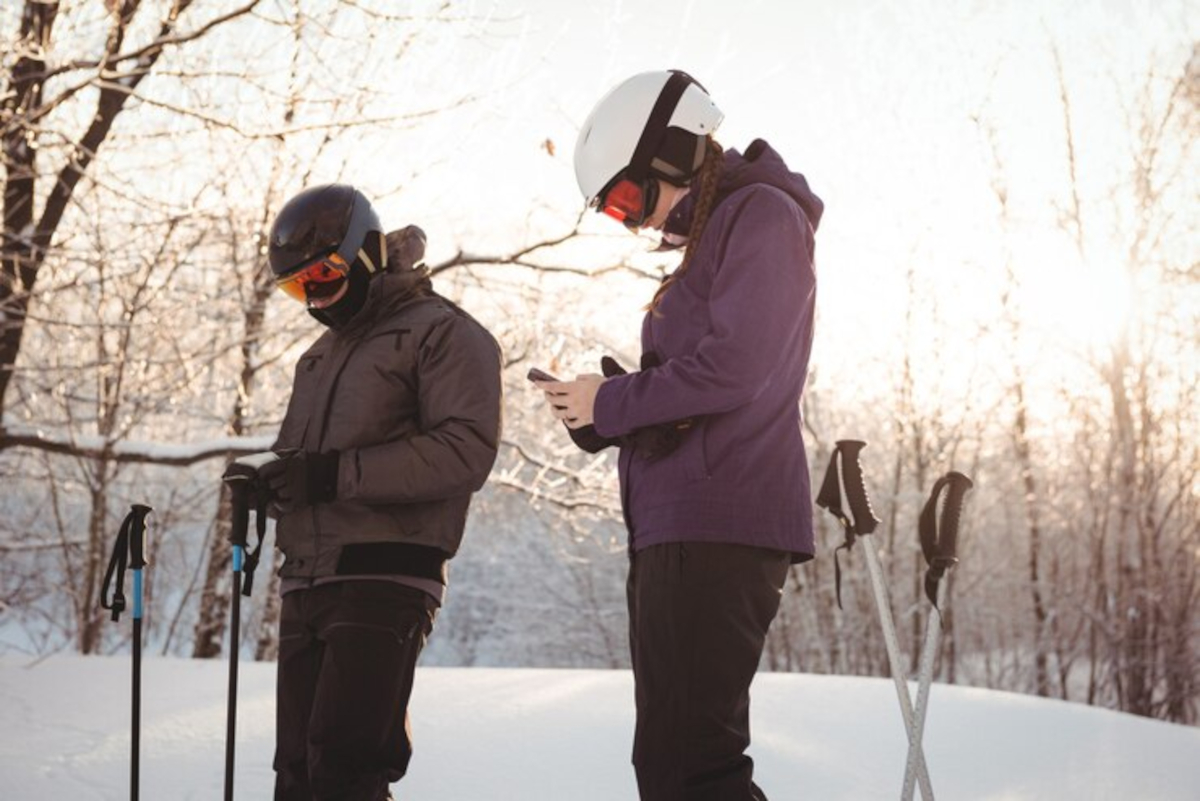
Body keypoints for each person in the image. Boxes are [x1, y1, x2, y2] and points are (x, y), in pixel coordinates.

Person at [535, 70, 823, 800]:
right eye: (612, 212)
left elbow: (737, 367)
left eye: (627, 198)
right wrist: (604, 415)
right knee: (669, 765)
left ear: (671, 148)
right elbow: (701, 385)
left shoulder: (760, 215)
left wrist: (618, 401)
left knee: (694, 767)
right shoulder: (712, 235)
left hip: (720, 520)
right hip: (680, 521)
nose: (630, 222)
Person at [241, 184, 503, 800]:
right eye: (298, 286)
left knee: (345, 768)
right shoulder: (321, 356)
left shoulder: (443, 333)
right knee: (297, 774)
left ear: (364, 252)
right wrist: (272, 483)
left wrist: (331, 475)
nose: (316, 295)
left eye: (326, 273)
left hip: (386, 575)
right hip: (308, 577)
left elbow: (465, 451)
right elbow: (307, 464)